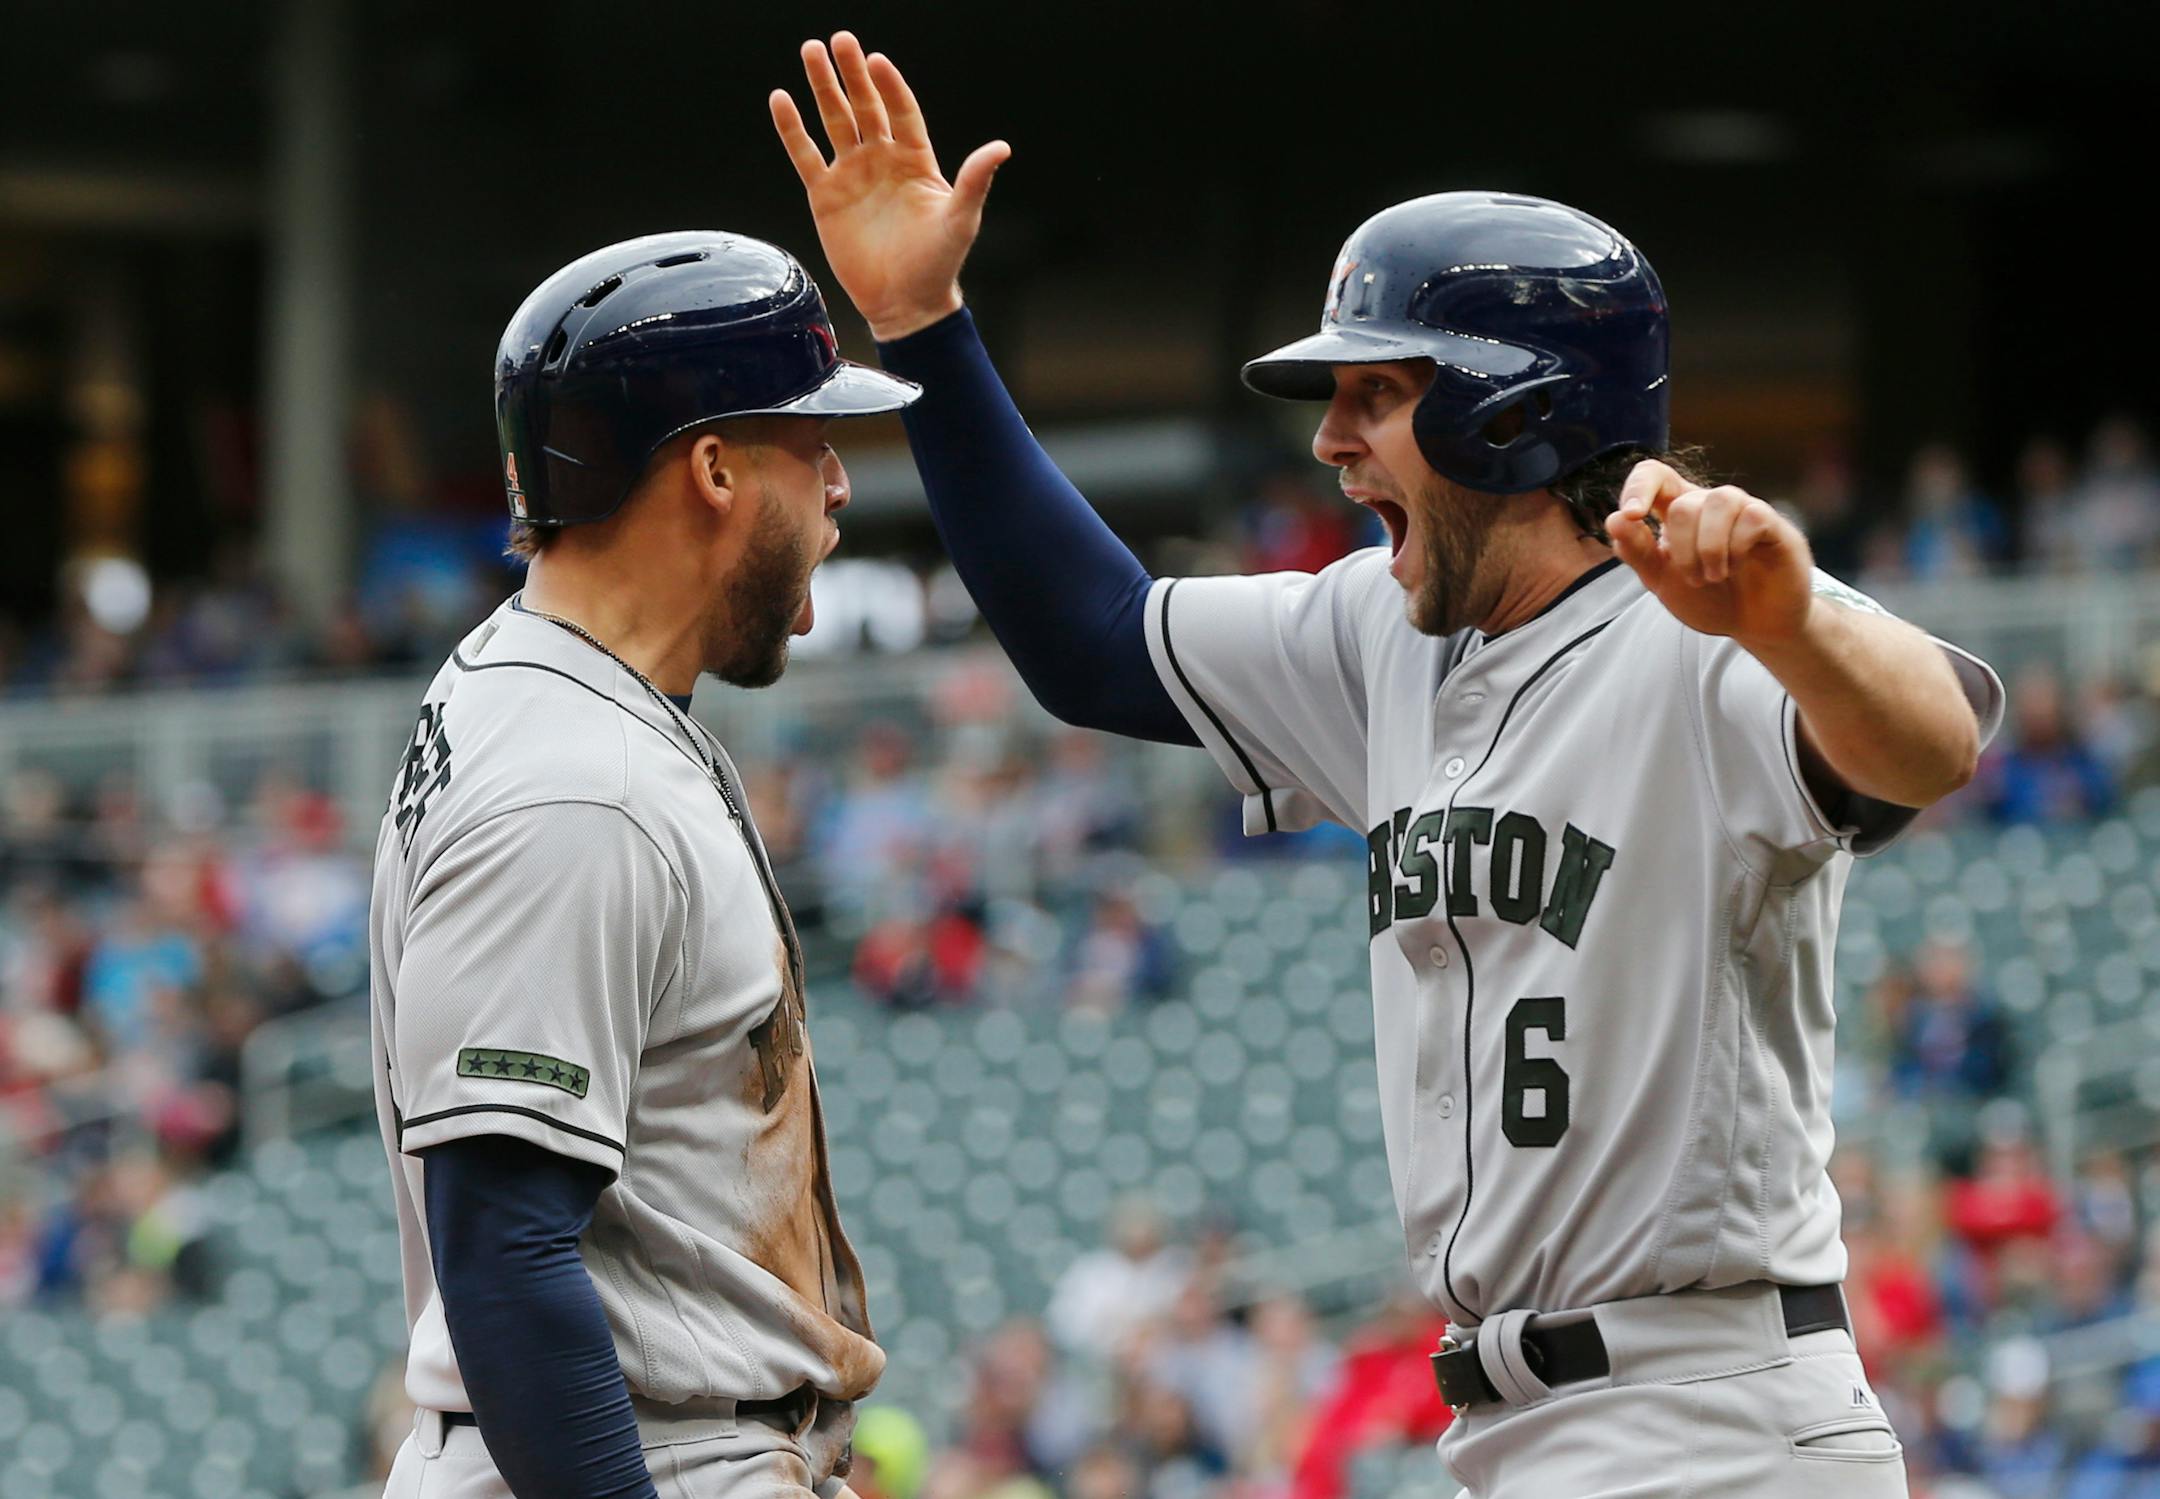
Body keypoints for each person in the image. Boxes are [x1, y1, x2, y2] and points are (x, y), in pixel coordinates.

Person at [769, 35, 2004, 1498]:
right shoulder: (1382, 630)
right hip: (1512, 1423)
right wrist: (924, 324)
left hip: (1713, 1413)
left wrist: (1794, 623)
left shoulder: (1708, 612)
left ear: (1513, 412)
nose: (1335, 440)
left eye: (1376, 392)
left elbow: (1929, 744)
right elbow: (1092, 637)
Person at [368, 232, 919, 1499]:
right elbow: (506, 1245)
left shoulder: (569, 698)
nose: (839, 484)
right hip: (641, 1456)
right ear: (714, 467)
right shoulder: (575, 785)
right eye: (812, 443)